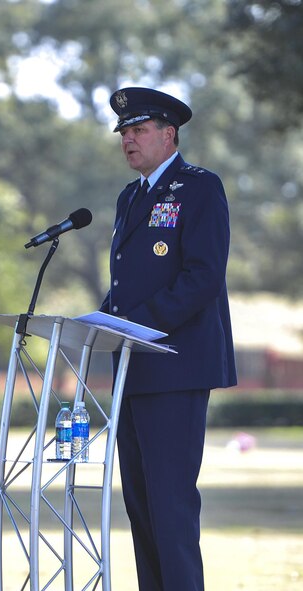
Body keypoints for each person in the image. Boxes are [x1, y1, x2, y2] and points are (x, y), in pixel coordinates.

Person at [100, 87, 237, 591]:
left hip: (176, 367)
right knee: (140, 506)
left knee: (171, 506)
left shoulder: (200, 188)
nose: (128, 141)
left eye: (137, 131)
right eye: (124, 134)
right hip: (133, 370)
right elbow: (127, 279)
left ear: (168, 134)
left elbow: (202, 276)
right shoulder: (129, 197)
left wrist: (136, 324)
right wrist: (102, 319)